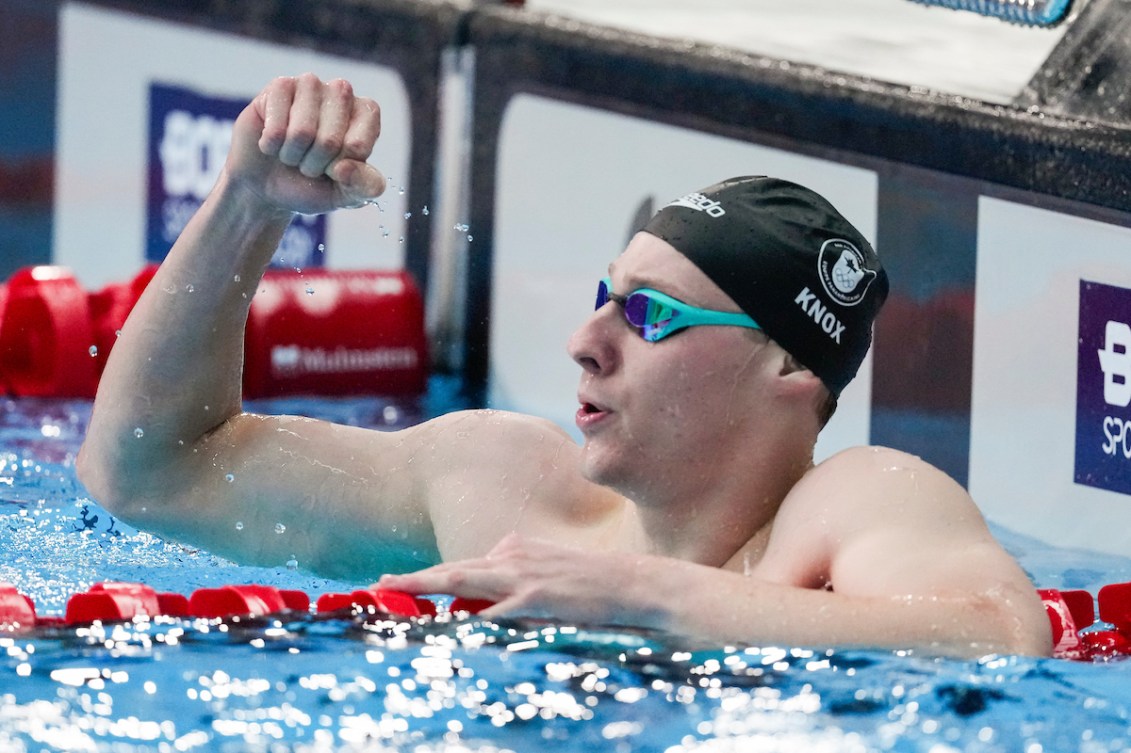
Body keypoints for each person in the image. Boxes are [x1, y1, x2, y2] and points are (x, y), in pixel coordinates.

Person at [77, 73, 1051, 657]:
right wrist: (246, 206)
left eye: (649, 315)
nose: (587, 342)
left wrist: (643, 598)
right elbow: (152, 472)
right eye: (602, 297)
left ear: (790, 365)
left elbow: (998, 632)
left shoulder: (857, 504)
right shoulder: (499, 489)